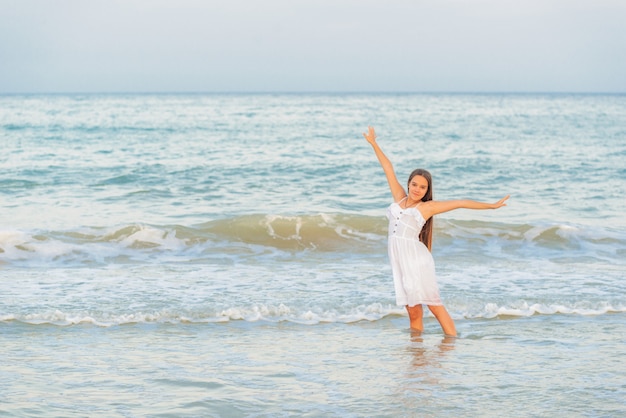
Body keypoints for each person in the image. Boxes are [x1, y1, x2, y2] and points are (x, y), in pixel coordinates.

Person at [363, 126, 509, 337]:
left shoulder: (426, 208)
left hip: (417, 261)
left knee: (433, 304)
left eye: (422, 187)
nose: (416, 189)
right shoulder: (399, 198)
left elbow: (460, 202)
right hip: (400, 260)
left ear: (426, 190)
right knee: (412, 310)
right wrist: (374, 143)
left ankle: (452, 341)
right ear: (409, 183)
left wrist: (492, 206)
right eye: (414, 184)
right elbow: (388, 167)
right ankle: (416, 350)